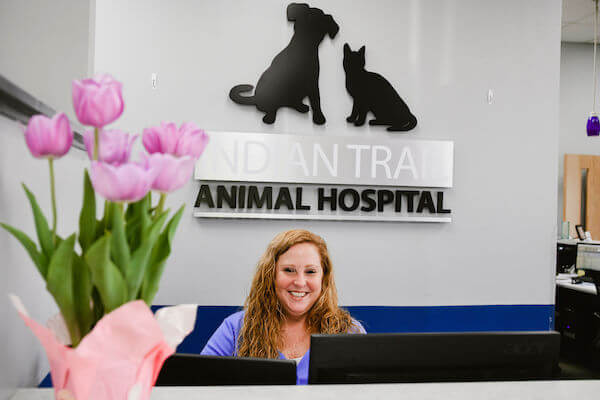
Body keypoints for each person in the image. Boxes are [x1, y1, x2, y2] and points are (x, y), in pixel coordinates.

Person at [201, 229, 365, 385]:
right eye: (289, 270)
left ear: (324, 278)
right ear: (271, 275)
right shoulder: (236, 328)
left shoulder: (350, 332)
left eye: (310, 272)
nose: (300, 282)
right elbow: (198, 386)